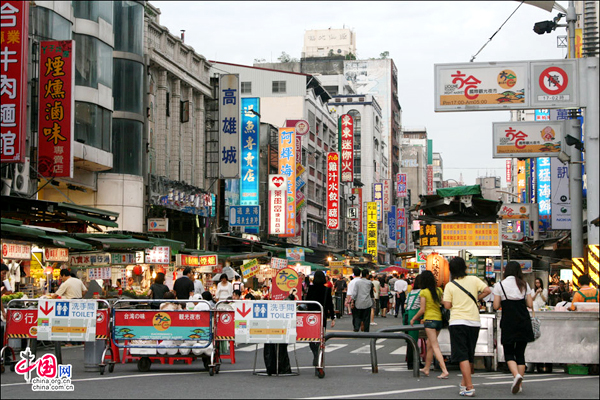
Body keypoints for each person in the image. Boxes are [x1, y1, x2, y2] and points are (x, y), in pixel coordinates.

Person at [442, 257, 491, 397]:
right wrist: (477, 298)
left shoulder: (450, 286)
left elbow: (447, 305)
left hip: (457, 321)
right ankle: (464, 384)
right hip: (474, 322)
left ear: (451, 270)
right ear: (464, 267)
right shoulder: (474, 279)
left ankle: (469, 386)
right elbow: (487, 290)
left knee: (462, 354)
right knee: (469, 354)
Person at [493, 261, 535, 394]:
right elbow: (529, 304)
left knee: (509, 352)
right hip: (523, 321)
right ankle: (520, 383)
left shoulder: (500, 285)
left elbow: (495, 306)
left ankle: (516, 375)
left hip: (508, 322)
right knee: (520, 353)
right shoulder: (524, 285)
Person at [410, 271, 449, 379]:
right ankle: (426, 368)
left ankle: (444, 370)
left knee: (434, 345)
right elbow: (443, 303)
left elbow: (422, 309)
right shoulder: (439, 290)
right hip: (439, 321)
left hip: (429, 321)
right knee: (429, 344)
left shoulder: (424, 292)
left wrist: (413, 318)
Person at [305, 271, 336, 371]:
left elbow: (307, 301)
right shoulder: (326, 289)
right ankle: (318, 353)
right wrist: (332, 317)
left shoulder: (311, 289)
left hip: (311, 316)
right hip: (322, 316)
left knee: (310, 337)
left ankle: (315, 353)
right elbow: (330, 304)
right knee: (321, 337)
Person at [404, 274, 422, 370]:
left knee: (410, 340)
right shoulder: (421, 292)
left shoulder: (411, 292)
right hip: (415, 316)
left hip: (407, 315)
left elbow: (405, 305)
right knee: (414, 341)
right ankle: (413, 362)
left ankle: (410, 361)